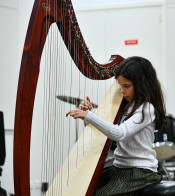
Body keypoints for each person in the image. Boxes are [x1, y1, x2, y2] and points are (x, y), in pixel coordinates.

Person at [66, 56, 168, 196]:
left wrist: (89, 116)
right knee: (83, 186)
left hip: (141, 171)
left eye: (127, 86)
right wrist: (88, 113)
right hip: (120, 167)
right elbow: (102, 129)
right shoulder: (124, 105)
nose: (122, 91)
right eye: (120, 86)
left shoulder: (146, 109)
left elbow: (119, 133)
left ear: (142, 85)